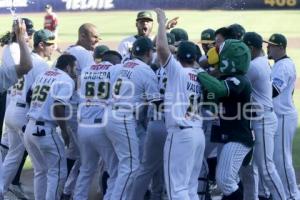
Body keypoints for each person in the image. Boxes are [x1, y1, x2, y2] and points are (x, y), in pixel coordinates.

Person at [155, 8, 205, 199]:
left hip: (180, 134)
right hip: (197, 134)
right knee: (190, 188)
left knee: (177, 189)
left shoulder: (177, 71)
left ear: (178, 56)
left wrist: (161, 23)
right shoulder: (201, 75)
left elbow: (161, 49)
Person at [197, 38, 254, 199]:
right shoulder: (227, 78)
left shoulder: (240, 80)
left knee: (225, 180)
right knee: (229, 180)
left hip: (238, 138)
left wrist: (198, 71)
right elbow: (212, 102)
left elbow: (220, 89)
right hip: (229, 136)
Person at [1, 29, 54, 198]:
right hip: (24, 113)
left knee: (14, 154)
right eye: (50, 45)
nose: (53, 48)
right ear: (41, 45)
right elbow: (38, 94)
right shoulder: (40, 64)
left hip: (11, 110)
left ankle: (1, 189)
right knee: (41, 163)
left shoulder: (23, 58)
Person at [105, 36, 159, 199]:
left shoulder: (120, 66)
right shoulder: (145, 70)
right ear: (149, 53)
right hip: (123, 118)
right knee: (130, 167)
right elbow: (155, 102)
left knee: (122, 166)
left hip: (110, 115)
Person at [240, 32, 286, 200]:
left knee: (266, 168)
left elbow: (236, 84)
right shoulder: (261, 62)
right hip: (261, 119)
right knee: (253, 168)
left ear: (251, 48)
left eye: (244, 48)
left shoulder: (254, 66)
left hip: (263, 120)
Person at [24, 54, 76, 200]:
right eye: (74, 68)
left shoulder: (43, 74)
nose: (75, 72)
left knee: (40, 171)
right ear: (68, 66)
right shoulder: (66, 80)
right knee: (58, 173)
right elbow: (58, 107)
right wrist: (65, 132)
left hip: (30, 128)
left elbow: (29, 96)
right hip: (45, 131)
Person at [73, 50, 122, 200]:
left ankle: (78, 198)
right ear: (115, 62)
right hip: (101, 127)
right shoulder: (115, 69)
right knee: (115, 171)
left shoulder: (87, 70)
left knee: (86, 169)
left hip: (83, 127)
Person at [61, 23, 100, 199]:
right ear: (83, 35)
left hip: (65, 106)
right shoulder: (84, 54)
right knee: (86, 155)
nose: (97, 40)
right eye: (94, 36)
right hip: (77, 109)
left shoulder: (68, 51)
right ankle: (68, 191)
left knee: (73, 152)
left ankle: (64, 190)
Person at [265, 33, 300, 199]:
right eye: (267, 45)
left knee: (282, 159)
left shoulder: (284, 66)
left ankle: (293, 195)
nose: (268, 47)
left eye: (271, 45)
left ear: (280, 47)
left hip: (284, 116)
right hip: (279, 116)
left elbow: (273, 91)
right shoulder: (279, 64)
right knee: (275, 158)